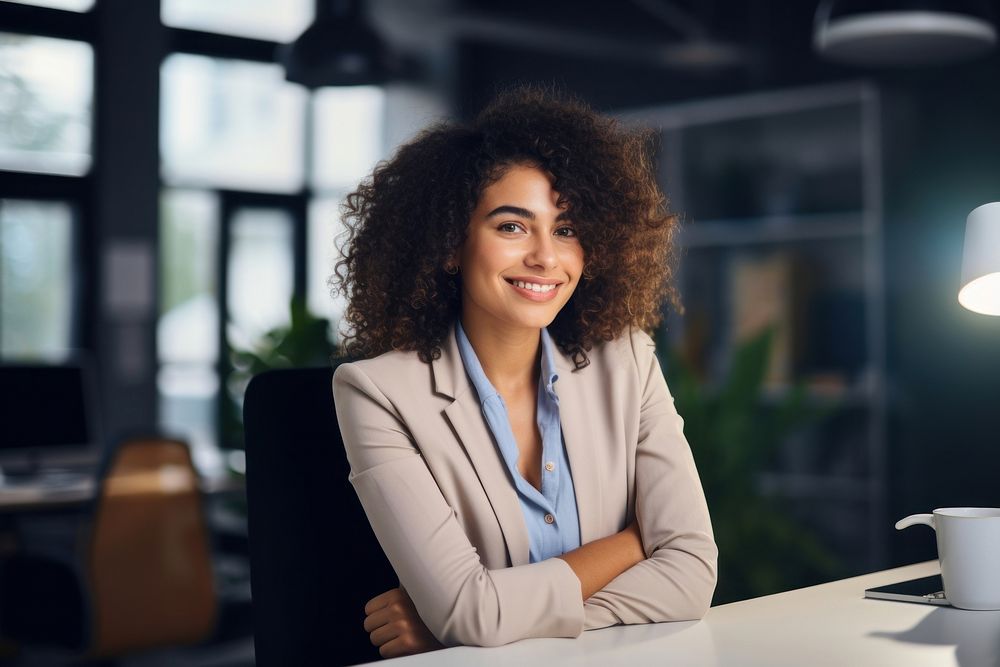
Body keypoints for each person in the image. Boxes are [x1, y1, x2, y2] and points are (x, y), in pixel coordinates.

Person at [331, 85, 717, 659]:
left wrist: (486, 622)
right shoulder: (377, 394)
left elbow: (691, 571)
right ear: (450, 245)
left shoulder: (629, 362)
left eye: (565, 229)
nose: (545, 257)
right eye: (512, 226)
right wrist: (635, 545)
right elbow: (471, 610)